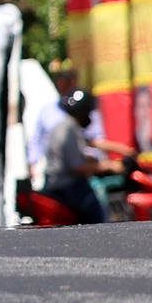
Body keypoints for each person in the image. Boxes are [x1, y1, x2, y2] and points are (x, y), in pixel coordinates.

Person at [30, 84, 117, 225]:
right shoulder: (68, 130)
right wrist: (109, 166)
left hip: (57, 182)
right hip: (67, 185)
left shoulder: (66, 126)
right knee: (96, 217)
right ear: (83, 112)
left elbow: (90, 143)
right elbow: (77, 167)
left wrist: (121, 150)